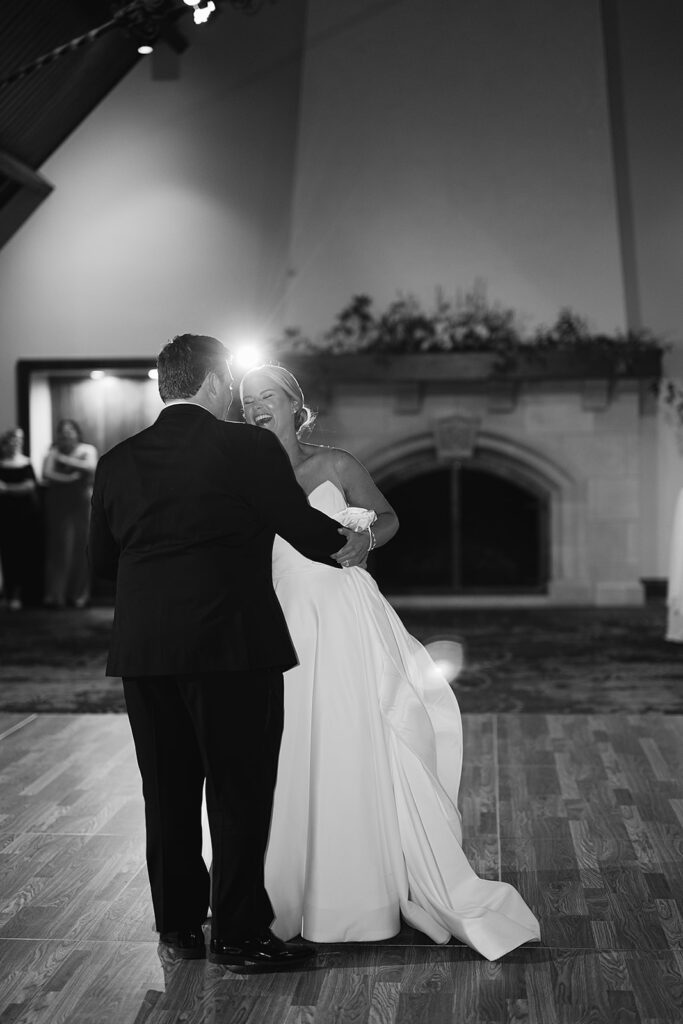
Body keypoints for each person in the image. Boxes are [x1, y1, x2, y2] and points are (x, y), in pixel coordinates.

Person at [237, 364, 541, 961]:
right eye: (247, 401)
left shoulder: (335, 465)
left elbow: (390, 516)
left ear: (295, 404)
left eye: (266, 398)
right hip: (280, 621)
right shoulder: (244, 474)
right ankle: (278, 894)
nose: (255, 409)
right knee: (285, 748)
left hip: (343, 618)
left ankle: (353, 895)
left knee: (348, 741)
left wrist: (366, 540)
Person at [88, 334, 359, 970]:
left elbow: (102, 564)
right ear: (213, 382)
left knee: (168, 790)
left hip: (146, 654)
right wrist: (349, 544)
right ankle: (240, 935)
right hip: (232, 648)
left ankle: (179, 927)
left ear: (166, 387)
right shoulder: (247, 447)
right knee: (238, 794)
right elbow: (300, 525)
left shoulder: (117, 461)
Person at [42, 418, 98, 608]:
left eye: (70, 430)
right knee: (59, 549)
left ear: (77, 432)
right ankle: (56, 595)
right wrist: (71, 477)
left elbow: (91, 467)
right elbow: (47, 474)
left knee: (82, 548)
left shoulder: (87, 449)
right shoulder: (53, 451)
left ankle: (79, 595)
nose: (66, 434)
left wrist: (65, 461)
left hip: (82, 504)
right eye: (62, 431)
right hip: (58, 505)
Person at [0, 428, 39, 610]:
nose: (14, 444)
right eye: (11, 441)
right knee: (7, 556)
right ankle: (8, 594)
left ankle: (22, 595)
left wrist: (7, 488)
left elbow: (29, 487)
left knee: (23, 554)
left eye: (18, 440)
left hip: (24, 516)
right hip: (5, 515)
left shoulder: (26, 463)